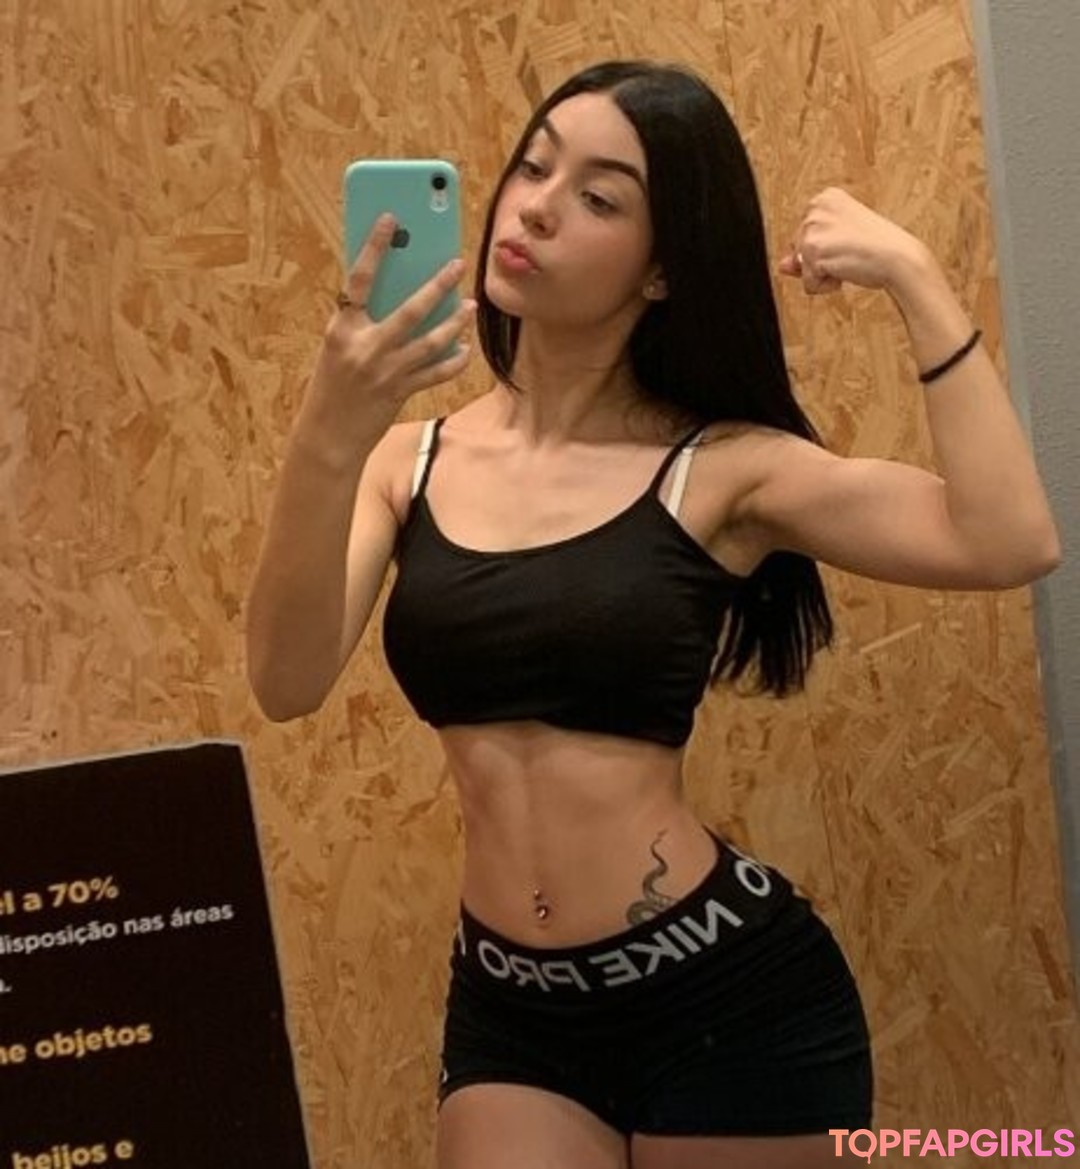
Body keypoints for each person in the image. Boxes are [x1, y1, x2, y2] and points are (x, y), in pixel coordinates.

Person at [246, 60, 1060, 1169]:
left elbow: (1008, 540)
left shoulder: (722, 470)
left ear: (665, 266)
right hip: (514, 1008)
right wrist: (330, 428)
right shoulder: (408, 461)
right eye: (534, 167)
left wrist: (916, 279)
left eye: (598, 196)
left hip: (723, 994)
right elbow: (285, 681)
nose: (537, 206)